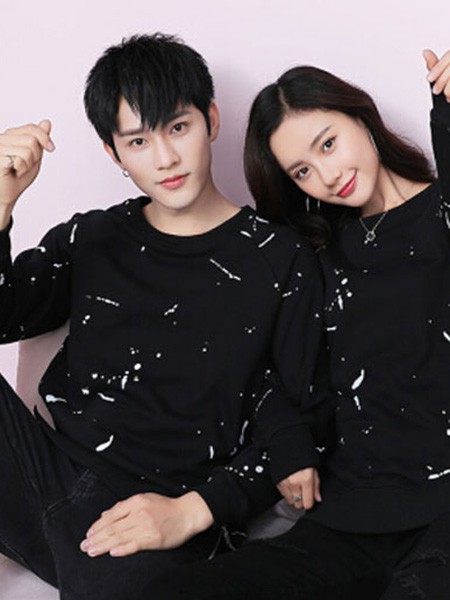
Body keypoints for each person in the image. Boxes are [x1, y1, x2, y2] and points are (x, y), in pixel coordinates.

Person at [0, 33, 324, 599]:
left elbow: (309, 419)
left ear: (211, 120)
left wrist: (196, 510)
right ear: (114, 154)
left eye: (177, 128)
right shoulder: (91, 237)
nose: (165, 159)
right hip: (43, 473)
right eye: (138, 140)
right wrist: (1, 208)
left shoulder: (280, 258)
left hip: (158, 516)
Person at [149, 50, 450, 599]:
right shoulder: (315, 254)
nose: (328, 176)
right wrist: (287, 439)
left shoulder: (441, 211)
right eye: (302, 172)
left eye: (328, 143)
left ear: (361, 116)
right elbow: (264, 366)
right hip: (358, 511)